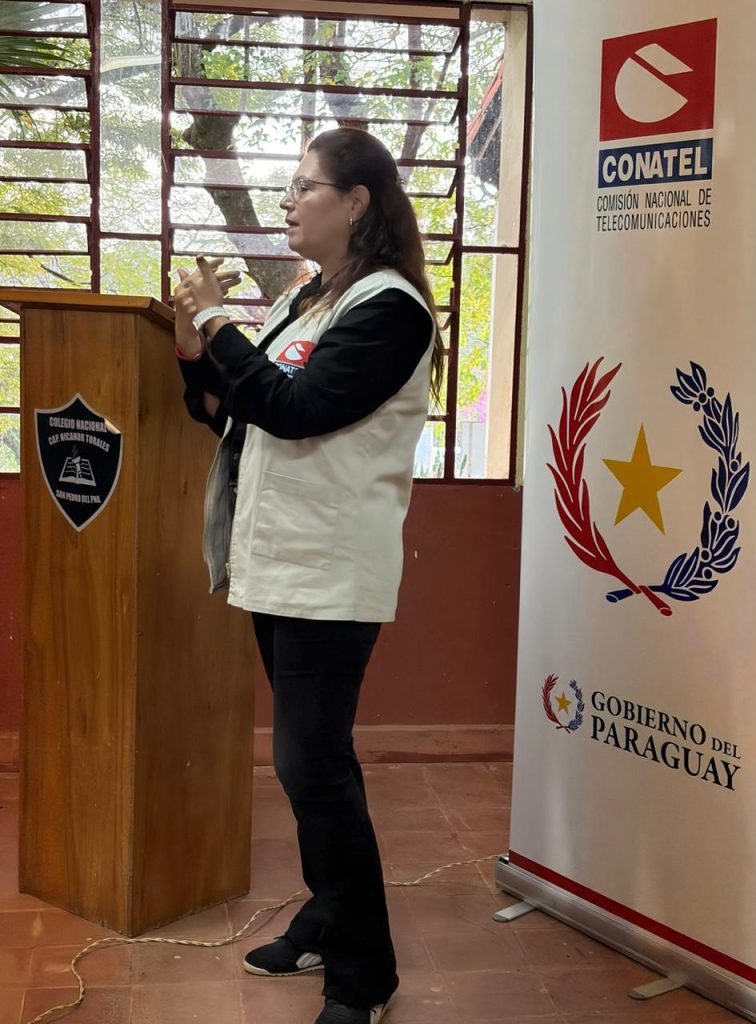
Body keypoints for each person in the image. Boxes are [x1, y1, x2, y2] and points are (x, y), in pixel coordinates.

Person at [172, 126, 442, 1024]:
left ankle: (364, 978)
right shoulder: (308, 297)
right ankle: (328, 918)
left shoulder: (390, 308)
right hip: (279, 563)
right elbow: (240, 412)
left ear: (356, 202)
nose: (286, 202)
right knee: (309, 769)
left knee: (312, 766)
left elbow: (297, 408)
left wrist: (221, 322)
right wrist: (193, 347)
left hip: (330, 568)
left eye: (303, 187)